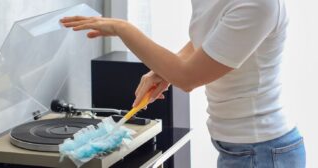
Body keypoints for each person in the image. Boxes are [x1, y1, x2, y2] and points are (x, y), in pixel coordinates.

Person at [60, 0, 306, 167]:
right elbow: (211, 39)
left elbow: (188, 78)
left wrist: (123, 29)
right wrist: (165, 70)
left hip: (262, 151)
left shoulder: (259, 5)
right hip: (238, 147)